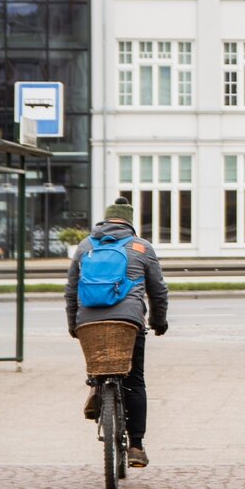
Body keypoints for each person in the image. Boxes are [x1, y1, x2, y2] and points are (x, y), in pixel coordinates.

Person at [65, 197, 169, 468]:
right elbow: (158, 290)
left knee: (98, 362)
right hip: (128, 320)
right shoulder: (141, 247)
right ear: (129, 222)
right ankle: (136, 446)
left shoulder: (85, 245)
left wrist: (73, 324)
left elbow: (71, 290)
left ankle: (96, 388)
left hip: (88, 320)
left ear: (106, 219)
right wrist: (159, 321)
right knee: (135, 379)